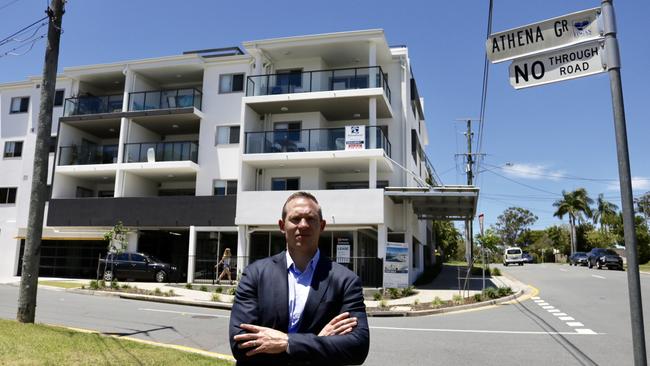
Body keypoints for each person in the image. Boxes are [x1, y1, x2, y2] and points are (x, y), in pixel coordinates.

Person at [229, 192, 369, 365]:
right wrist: (319, 342)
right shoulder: (255, 274)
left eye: (310, 219)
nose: (303, 225)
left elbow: (357, 348)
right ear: (282, 225)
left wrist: (287, 343)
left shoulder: (346, 281)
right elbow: (241, 344)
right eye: (295, 219)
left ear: (322, 225)